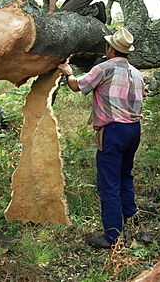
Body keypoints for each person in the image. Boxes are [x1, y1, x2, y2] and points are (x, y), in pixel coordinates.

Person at [57, 27, 145, 249]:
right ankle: (130, 214)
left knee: (109, 183)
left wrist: (68, 73)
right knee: (125, 174)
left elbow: (78, 86)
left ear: (111, 49)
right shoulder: (136, 73)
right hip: (134, 129)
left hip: (114, 130)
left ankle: (113, 236)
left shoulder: (104, 68)